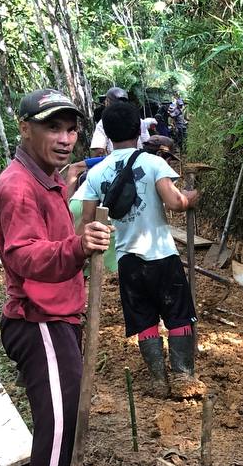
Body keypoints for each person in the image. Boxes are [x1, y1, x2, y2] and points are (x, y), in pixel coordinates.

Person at [0, 89, 111, 466]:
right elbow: (22, 255)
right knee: (58, 420)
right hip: (36, 320)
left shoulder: (48, 178)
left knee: (67, 412)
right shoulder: (19, 187)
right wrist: (77, 247)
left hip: (57, 317)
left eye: (70, 128)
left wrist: (81, 239)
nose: (65, 138)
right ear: (25, 128)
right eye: (52, 128)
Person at [77, 99, 202, 398]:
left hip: (127, 259)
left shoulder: (96, 173)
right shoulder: (153, 162)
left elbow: (87, 221)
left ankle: (158, 379)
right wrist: (193, 195)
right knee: (178, 313)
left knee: (143, 317)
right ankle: (184, 377)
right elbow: (175, 202)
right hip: (161, 254)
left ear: (106, 134)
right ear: (139, 130)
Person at [89, 87, 154, 156]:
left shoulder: (103, 122)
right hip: (138, 160)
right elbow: (146, 143)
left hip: (115, 162)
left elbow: (98, 150)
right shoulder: (138, 120)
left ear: (107, 102)